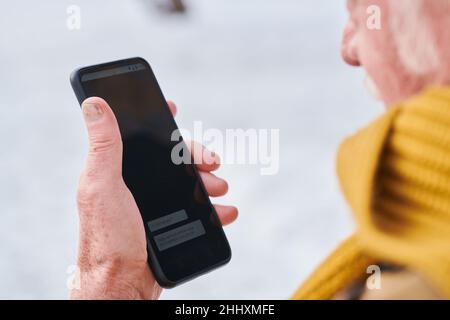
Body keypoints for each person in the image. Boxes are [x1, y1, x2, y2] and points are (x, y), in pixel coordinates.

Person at [71, 0, 450, 300]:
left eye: (359, 8)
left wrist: (111, 282)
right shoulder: (413, 228)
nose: (348, 49)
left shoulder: (415, 283)